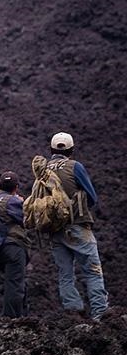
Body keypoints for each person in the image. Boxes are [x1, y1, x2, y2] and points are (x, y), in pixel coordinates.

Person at [47, 131, 108, 321]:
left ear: (51, 150)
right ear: (72, 150)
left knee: (65, 274)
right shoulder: (75, 166)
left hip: (55, 231)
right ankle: (100, 315)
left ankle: (73, 313)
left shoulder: (44, 170)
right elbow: (92, 197)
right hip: (78, 227)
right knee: (92, 271)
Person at [0, 171, 31, 318]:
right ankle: (11, 321)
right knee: (15, 285)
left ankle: (22, 318)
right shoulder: (12, 201)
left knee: (12, 284)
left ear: (0, 186)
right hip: (13, 247)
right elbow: (29, 220)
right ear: (16, 187)